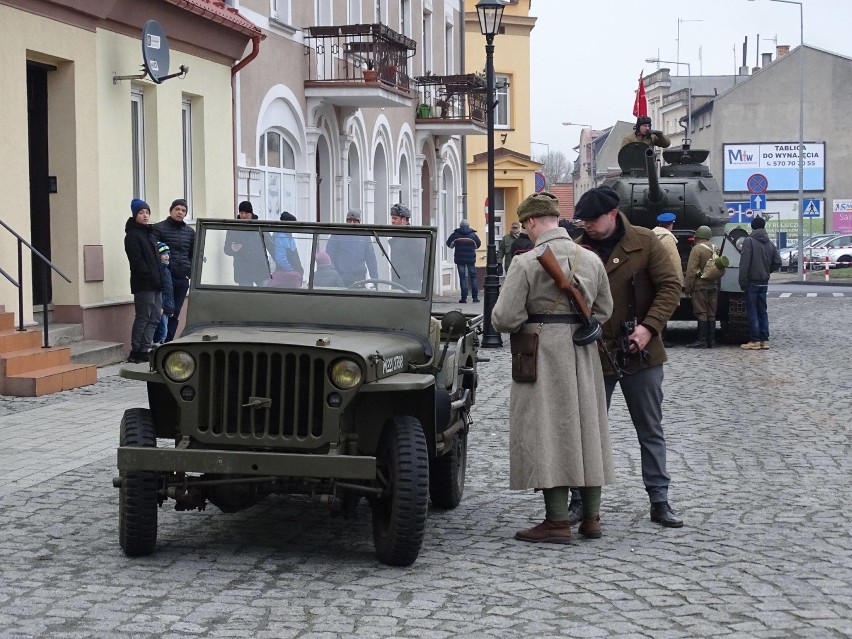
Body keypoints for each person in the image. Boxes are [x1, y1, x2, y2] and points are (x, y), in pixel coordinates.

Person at [492, 192, 615, 544]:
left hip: (542, 352)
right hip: (583, 350)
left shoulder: (527, 262)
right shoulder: (590, 259)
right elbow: (604, 311)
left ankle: (557, 521)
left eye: (526, 225)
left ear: (531, 222)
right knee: (587, 429)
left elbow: (504, 318)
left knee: (547, 430)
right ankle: (591, 518)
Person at [571, 186, 684, 528]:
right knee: (586, 430)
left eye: (593, 220)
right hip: (593, 352)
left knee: (650, 429)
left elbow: (670, 286)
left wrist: (649, 328)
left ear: (613, 213)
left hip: (641, 351)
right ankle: (581, 502)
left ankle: (659, 500)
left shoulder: (646, 242)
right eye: (584, 220)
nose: (587, 225)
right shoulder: (577, 249)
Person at [124, 199, 162, 363]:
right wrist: (149, 275)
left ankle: (145, 348)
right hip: (144, 284)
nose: (145, 215)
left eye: (147, 212)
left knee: (154, 317)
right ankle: (136, 350)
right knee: (143, 316)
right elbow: (137, 261)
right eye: (141, 213)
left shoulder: (150, 233)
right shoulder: (133, 235)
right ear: (135, 215)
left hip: (156, 283)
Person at [152, 198, 194, 342]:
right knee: (163, 311)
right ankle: (158, 342)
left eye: (183, 210)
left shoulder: (190, 232)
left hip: (182, 278)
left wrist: (190, 272)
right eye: (177, 209)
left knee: (175, 313)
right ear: (170, 210)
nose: (180, 212)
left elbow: (193, 254)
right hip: (165, 277)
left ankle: (168, 342)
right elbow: (154, 251)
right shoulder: (159, 228)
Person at [738, 216, 782, 350]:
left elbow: (744, 264)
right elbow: (778, 262)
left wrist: (742, 281)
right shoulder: (770, 243)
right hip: (764, 281)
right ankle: (764, 340)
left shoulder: (749, 241)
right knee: (762, 310)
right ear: (763, 227)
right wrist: (767, 270)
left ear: (752, 227)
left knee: (752, 311)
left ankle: (755, 340)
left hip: (752, 281)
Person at [684, 225, 719, 349]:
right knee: (711, 313)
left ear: (697, 236)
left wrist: (688, 287)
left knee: (701, 312)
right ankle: (712, 341)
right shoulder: (715, 248)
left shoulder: (697, 249)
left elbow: (691, 271)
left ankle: (701, 340)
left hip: (700, 285)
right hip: (713, 284)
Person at [652, 212, 683, 348]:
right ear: (671, 225)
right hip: (664, 279)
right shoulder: (668, 239)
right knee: (663, 307)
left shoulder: (650, 236)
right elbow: (674, 261)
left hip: (650, 279)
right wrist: (679, 282)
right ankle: (660, 338)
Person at [325, 209, 379, 286]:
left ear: (359, 222)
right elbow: (329, 257)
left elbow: (371, 260)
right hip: (340, 277)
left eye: (355, 221)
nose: (352, 223)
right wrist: (330, 277)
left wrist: (375, 279)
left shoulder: (365, 237)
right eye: (349, 220)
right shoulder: (337, 235)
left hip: (359, 278)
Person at [224, 201, 270, 287]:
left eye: (246, 213)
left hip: (260, 268)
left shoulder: (260, 226)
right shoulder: (233, 228)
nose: (244, 216)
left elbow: (271, 246)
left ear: (251, 213)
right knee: (246, 299)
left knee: (265, 297)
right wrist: (233, 249)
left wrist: (278, 265)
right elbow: (226, 249)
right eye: (241, 213)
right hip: (243, 271)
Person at [388, 203, 422, 291]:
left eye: (395, 218)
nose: (392, 221)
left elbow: (420, 261)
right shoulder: (397, 237)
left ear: (404, 220)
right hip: (397, 280)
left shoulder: (411, 237)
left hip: (410, 283)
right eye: (392, 218)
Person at [446, 219, 482, 303]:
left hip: (460, 259)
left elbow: (449, 244)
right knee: (473, 277)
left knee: (462, 278)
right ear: (468, 226)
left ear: (460, 226)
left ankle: (464, 298)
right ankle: (475, 297)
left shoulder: (456, 234)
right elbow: (478, 244)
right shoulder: (473, 235)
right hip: (471, 259)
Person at [270, 211, 303, 288]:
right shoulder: (281, 237)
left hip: (291, 273)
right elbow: (281, 258)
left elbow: (294, 254)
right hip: (286, 274)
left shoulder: (288, 236)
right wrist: (291, 270)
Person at [153, 242, 174, 346]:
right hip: (161, 307)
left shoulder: (166, 271)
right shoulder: (159, 271)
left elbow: (169, 291)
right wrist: (161, 306)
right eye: (164, 254)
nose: (167, 256)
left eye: (168, 253)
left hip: (166, 307)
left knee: (163, 331)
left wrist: (170, 308)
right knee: (162, 332)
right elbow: (161, 291)